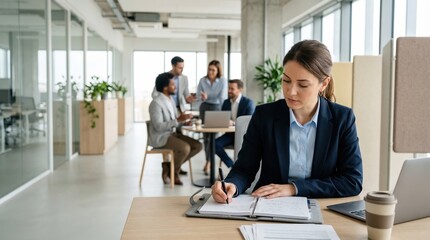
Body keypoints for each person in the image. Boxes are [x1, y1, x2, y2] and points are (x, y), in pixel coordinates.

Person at [211, 40, 363, 203]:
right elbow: (244, 169)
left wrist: (294, 188)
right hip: (270, 206)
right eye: (286, 80)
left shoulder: (342, 118)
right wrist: (231, 185)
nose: (291, 92)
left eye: (303, 84)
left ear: (323, 84)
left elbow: (352, 181)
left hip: (320, 206)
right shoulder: (265, 116)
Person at [148, 72, 202, 185]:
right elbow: (158, 127)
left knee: (198, 145)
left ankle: (170, 168)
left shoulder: (170, 100)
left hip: (172, 134)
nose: (175, 86)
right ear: (165, 87)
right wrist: (178, 120)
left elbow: (175, 121)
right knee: (185, 148)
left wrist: (184, 121)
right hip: (161, 137)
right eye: (172, 84)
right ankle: (174, 172)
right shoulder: (156, 103)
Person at [152, 56, 197, 175]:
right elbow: (155, 94)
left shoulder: (184, 78)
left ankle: (175, 166)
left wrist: (191, 99)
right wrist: (163, 101)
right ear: (173, 66)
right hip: (165, 108)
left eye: (183, 68)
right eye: (179, 68)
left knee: (180, 137)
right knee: (176, 141)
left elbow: (186, 95)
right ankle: (169, 165)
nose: (181, 70)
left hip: (177, 108)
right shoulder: (164, 78)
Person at [196, 60, 228, 175]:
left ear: (218, 70)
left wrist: (208, 96)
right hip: (204, 107)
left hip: (216, 108)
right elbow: (198, 97)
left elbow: (222, 97)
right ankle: (207, 160)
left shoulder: (223, 81)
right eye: (209, 69)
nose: (210, 72)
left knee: (213, 138)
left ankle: (209, 162)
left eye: (213, 70)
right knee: (206, 138)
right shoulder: (202, 80)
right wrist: (202, 97)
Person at [215, 79, 255, 168]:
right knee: (215, 144)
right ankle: (232, 166)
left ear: (240, 89)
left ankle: (240, 170)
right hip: (230, 135)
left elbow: (248, 123)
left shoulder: (248, 103)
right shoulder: (226, 102)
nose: (229, 91)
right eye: (228, 88)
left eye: (232, 89)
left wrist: (233, 123)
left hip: (244, 135)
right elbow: (222, 118)